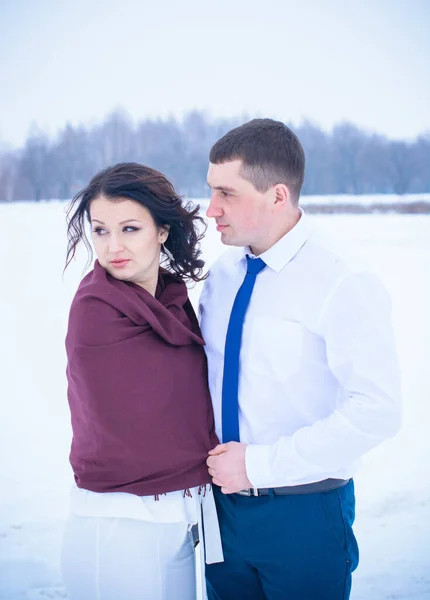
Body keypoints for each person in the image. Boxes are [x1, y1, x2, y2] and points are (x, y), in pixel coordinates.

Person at [200, 118, 402, 600]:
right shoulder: (222, 276)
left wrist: (262, 466)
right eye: (211, 191)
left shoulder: (342, 279)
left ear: (277, 196)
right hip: (220, 514)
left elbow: (378, 410)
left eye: (226, 193)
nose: (211, 209)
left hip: (304, 512)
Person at [62, 162, 223, 600]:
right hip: (119, 526)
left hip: (179, 518)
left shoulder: (172, 301)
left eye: (130, 228)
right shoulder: (97, 310)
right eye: (100, 230)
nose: (112, 245)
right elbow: (136, 426)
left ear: (162, 230)